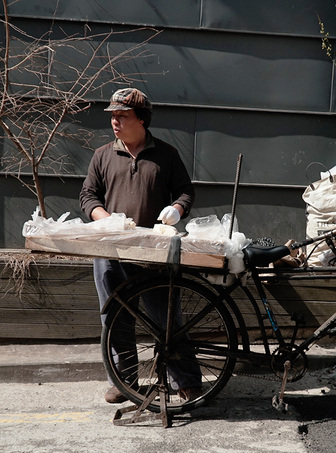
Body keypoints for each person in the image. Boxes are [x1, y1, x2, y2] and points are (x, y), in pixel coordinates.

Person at [79, 87, 202, 404]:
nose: (115, 122)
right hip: (110, 251)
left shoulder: (166, 155)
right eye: (113, 116)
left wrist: (177, 209)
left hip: (153, 252)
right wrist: (104, 217)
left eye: (122, 116)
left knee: (165, 317)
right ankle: (123, 381)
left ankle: (186, 381)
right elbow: (88, 196)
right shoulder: (103, 155)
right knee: (116, 317)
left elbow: (185, 192)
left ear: (142, 120)